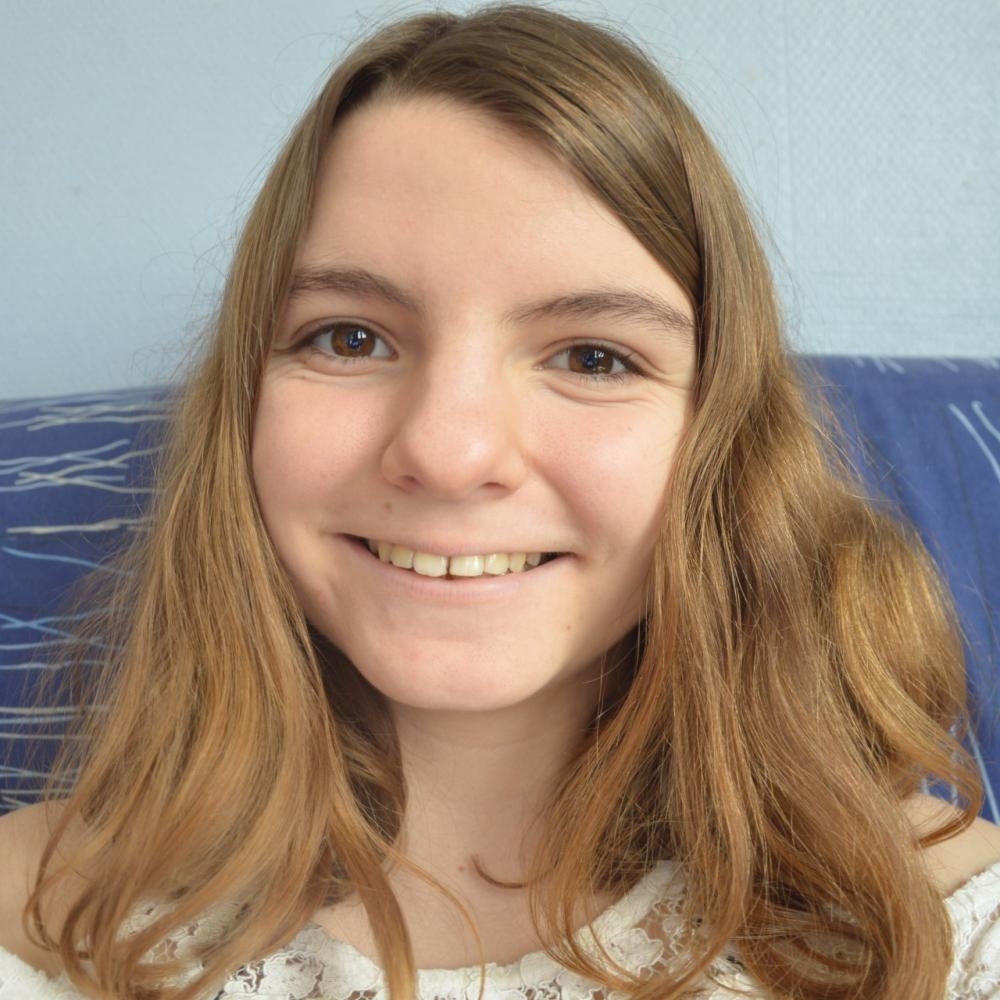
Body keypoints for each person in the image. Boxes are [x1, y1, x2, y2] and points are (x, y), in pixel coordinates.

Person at [1, 4, 998, 998]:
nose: (449, 452)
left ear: (727, 441)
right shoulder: (31, 922)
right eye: (350, 338)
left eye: (592, 357)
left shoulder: (944, 938)